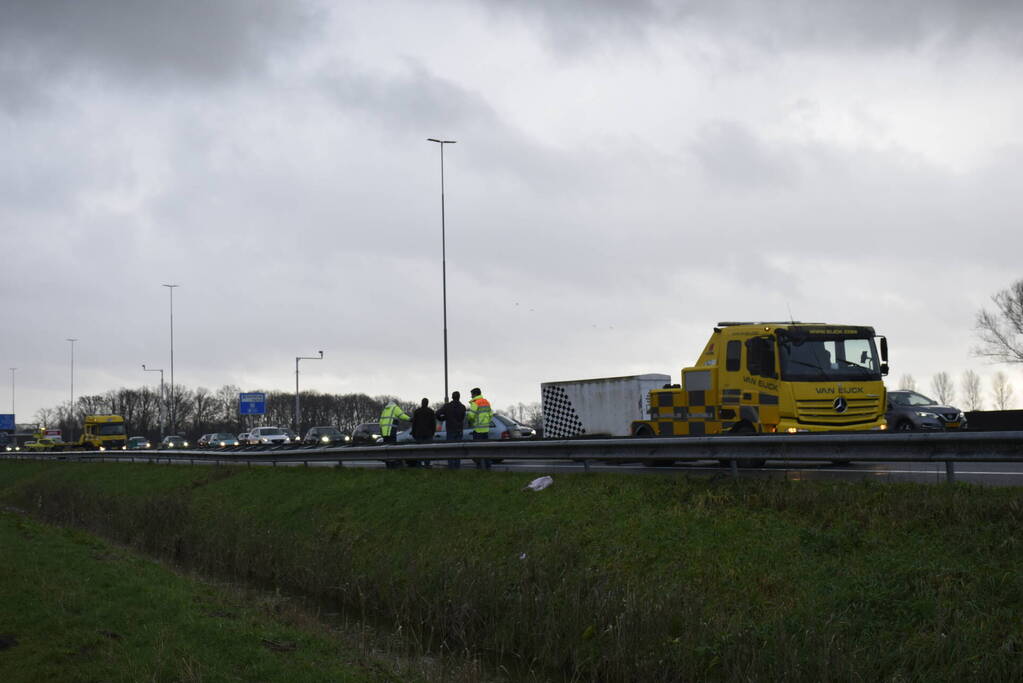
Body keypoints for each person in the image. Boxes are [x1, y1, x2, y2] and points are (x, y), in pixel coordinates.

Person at [436, 390, 466, 469]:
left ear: (452, 397)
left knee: (450, 449)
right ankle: (457, 467)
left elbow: (437, 413)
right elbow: (462, 418)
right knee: (458, 449)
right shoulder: (463, 407)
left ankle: (451, 467)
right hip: (459, 430)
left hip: (450, 430)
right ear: (459, 397)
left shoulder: (447, 406)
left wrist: (443, 418)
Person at [379, 400, 411, 468]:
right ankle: (393, 465)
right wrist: (410, 419)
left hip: (385, 433)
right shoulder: (394, 408)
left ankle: (388, 465)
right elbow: (402, 415)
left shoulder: (385, 410)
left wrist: (381, 431)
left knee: (386, 450)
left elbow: (380, 422)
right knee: (393, 449)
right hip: (391, 431)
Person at [467, 387, 493, 469]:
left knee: (477, 450)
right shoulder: (486, 402)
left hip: (478, 430)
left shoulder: (475, 403)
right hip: (486, 429)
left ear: (475, 394)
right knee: (486, 449)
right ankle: (488, 466)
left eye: (472, 394)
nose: (471, 396)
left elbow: (471, 415)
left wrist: (469, 419)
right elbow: (491, 414)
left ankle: (480, 467)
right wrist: (487, 422)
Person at [410, 398, 436, 467]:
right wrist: (433, 432)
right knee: (427, 450)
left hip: (418, 434)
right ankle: (427, 464)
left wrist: (413, 433)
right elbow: (433, 424)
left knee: (419, 450)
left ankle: (419, 464)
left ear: (421, 403)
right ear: (427, 403)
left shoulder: (417, 411)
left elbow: (414, 423)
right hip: (428, 434)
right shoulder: (431, 411)